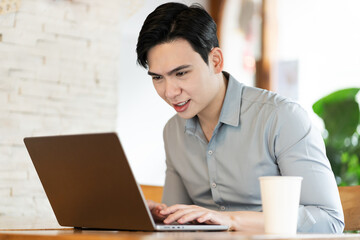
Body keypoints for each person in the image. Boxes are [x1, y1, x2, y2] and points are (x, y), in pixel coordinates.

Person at [136, 2, 344, 233]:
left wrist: (231, 219)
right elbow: (178, 222)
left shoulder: (281, 117)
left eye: (181, 73)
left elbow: (329, 220)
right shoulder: (173, 131)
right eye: (157, 78)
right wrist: (162, 215)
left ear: (215, 61)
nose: (170, 92)